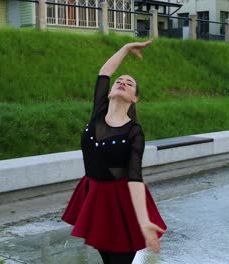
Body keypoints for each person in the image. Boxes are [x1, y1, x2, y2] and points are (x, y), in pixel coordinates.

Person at [61, 40, 167, 264]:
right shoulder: (98, 112)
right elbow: (105, 71)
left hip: (121, 204)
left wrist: (143, 220)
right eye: (120, 80)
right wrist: (127, 49)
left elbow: (135, 177)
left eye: (129, 83)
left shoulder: (134, 131)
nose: (122, 81)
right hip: (95, 198)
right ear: (109, 93)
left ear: (134, 98)